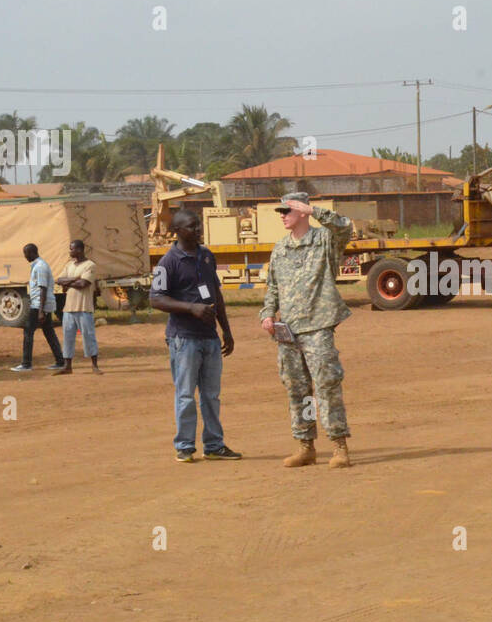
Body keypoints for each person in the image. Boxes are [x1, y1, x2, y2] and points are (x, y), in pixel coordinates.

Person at [259, 192, 355, 469]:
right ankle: (306, 445)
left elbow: (345, 227)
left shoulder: (324, 241)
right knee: (298, 389)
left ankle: (339, 445)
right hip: (288, 332)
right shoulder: (280, 248)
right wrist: (267, 314)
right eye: (280, 212)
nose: (282, 216)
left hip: (318, 326)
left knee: (327, 386)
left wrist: (315, 210)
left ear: (301, 212)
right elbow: (273, 287)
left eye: (286, 210)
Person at [150, 209, 241, 463]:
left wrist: (227, 330)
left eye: (198, 225)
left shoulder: (206, 256)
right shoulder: (168, 262)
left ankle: (214, 445)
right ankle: (185, 446)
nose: (198, 229)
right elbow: (155, 299)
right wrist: (191, 308)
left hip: (209, 338)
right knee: (186, 394)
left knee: (211, 395)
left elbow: (216, 295)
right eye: (192, 226)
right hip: (184, 339)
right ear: (177, 231)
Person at [11, 243, 64, 372]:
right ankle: (60, 361)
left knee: (28, 332)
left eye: (26, 254)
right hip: (41, 305)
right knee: (49, 332)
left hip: (39, 305)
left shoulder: (40, 267)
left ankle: (26, 363)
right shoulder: (39, 265)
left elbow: (43, 288)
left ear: (31, 253)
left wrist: (41, 311)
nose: (25, 256)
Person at [56, 239, 102, 375]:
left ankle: (94, 365)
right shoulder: (69, 265)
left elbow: (83, 284)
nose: (70, 251)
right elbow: (59, 280)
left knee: (88, 336)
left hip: (84, 307)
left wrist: (68, 282)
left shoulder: (90, 265)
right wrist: (75, 279)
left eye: (72, 249)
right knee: (67, 337)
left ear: (80, 250)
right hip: (69, 308)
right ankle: (67, 365)